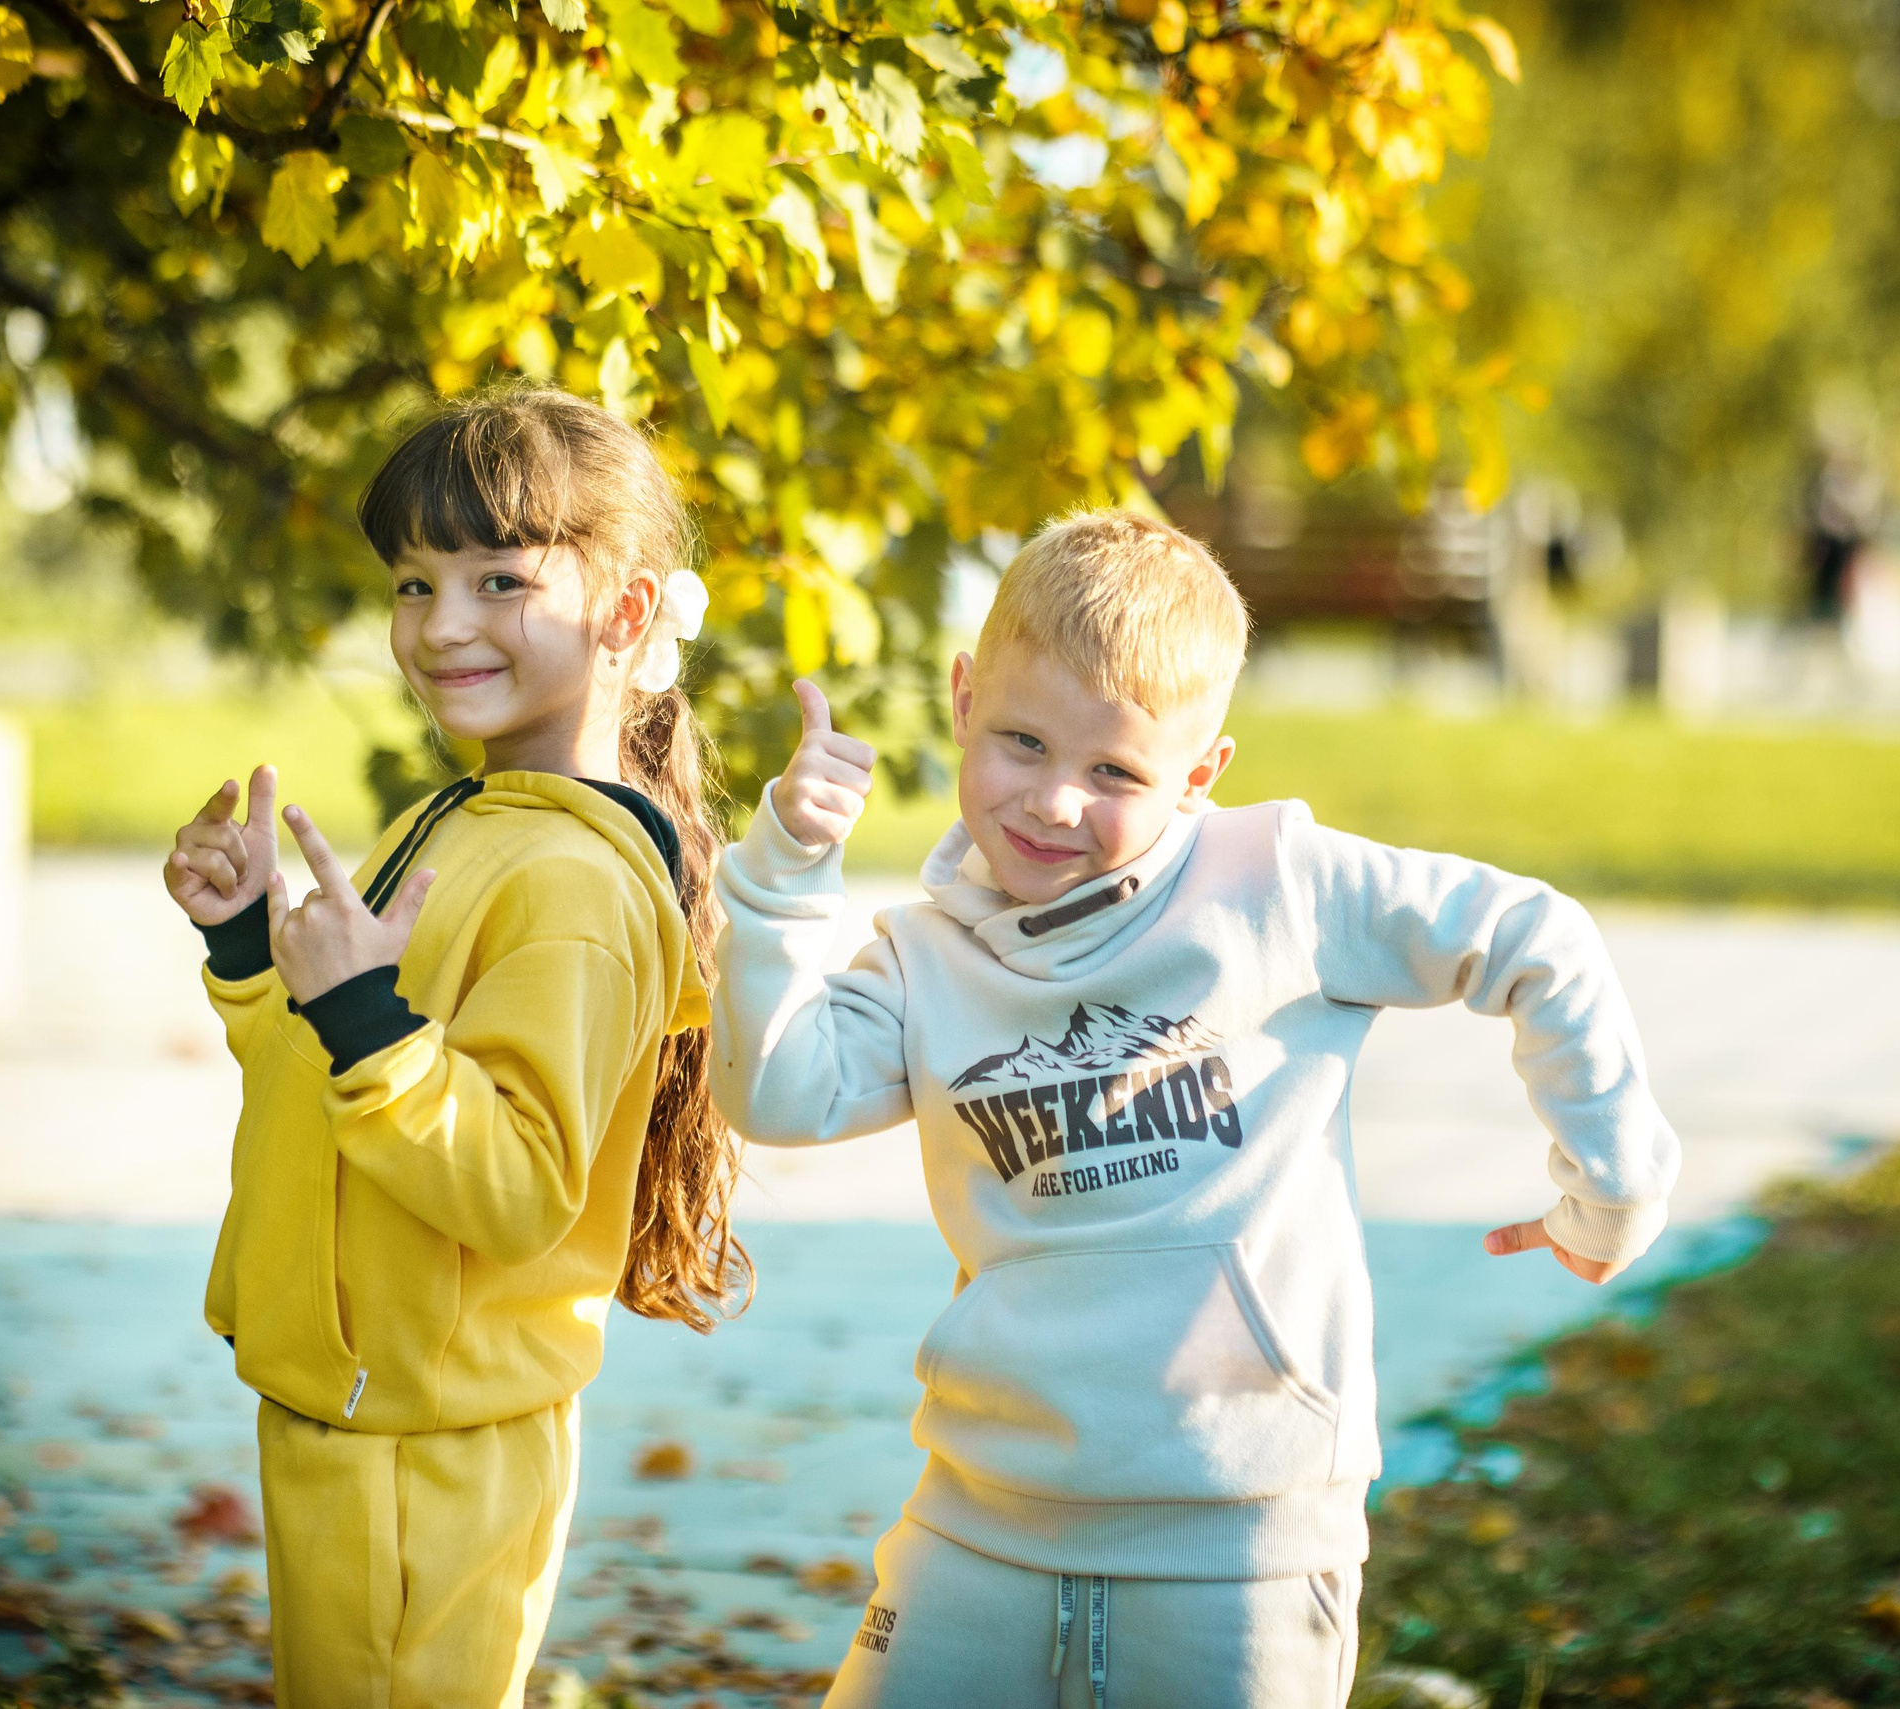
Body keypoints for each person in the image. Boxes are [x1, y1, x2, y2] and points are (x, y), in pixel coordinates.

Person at [710, 510, 1681, 1707]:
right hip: (978, 1518)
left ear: (1201, 772)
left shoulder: (1277, 883)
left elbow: (1537, 937)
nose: (1055, 802)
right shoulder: (923, 964)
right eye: (1022, 741)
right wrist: (781, 873)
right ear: (963, 698)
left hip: (1245, 1541)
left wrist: (1614, 1189)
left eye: (1114, 771)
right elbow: (776, 1091)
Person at [160, 387, 741, 1708]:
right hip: (363, 1415)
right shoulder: (466, 816)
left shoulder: (576, 885)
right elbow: (330, 1084)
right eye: (415, 584)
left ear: (629, 613)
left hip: (427, 1448)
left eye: (497, 577)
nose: (442, 623)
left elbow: (516, 1186)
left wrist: (371, 1022)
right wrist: (254, 949)